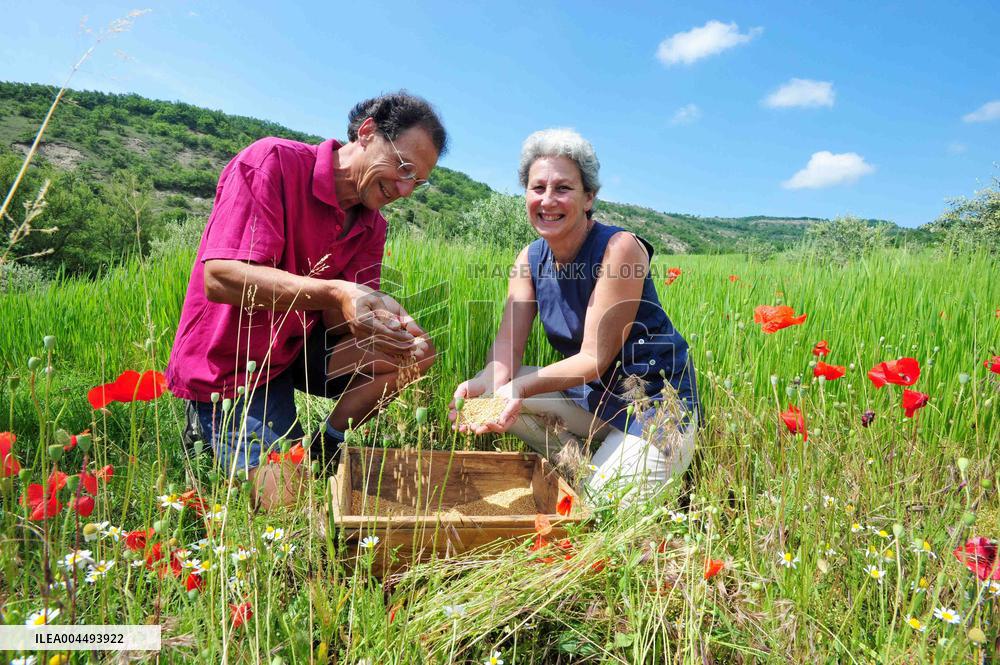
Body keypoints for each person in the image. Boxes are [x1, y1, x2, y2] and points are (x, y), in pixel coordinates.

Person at [167, 91, 446, 510]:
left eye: (418, 182)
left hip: (293, 351)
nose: (405, 189)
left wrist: (378, 315)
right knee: (291, 508)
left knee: (416, 353)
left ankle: (326, 446)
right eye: (403, 167)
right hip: (231, 367)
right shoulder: (272, 163)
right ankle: (205, 429)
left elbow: (339, 319)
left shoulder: (371, 226)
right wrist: (337, 290)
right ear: (367, 132)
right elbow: (220, 277)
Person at [449, 128, 700, 503]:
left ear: (589, 197)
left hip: (654, 410)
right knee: (496, 394)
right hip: (594, 401)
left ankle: (627, 477)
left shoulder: (620, 248)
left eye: (563, 188)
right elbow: (507, 349)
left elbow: (593, 359)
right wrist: (485, 385)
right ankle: (583, 471)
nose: (547, 200)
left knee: (605, 512)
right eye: (537, 188)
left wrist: (515, 390)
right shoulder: (529, 259)